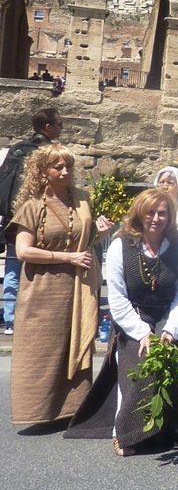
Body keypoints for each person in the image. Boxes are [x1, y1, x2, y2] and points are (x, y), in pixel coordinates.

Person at [5, 144, 113, 424]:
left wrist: (100, 235)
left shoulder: (82, 200)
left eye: (68, 166)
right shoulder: (32, 207)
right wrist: (68, 256)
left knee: (74, 345)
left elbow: (84, 246)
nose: (65, 172)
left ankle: (73, 409)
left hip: (77, 286)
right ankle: (39, 411)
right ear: (42, 171)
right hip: (41, 290)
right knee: (41, 350)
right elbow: (24, 251)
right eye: (58, 167)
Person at [105, 189, 178, 455]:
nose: (156, 218)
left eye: (162, 213)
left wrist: (170, 329)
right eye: (150, 212)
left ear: (170, 216)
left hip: (167, 317)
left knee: (170, 366)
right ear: (139, 213)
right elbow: (117, 297)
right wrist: (143, 332)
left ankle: (166, 430)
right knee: (141, 365)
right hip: (134, 317)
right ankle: (126, 432)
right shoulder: (121, 245)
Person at [0, 107, 63, 334]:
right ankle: (35, 318)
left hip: (12, 219)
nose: (61, 129)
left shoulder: (17, 149)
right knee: (37, 269)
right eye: (59, 124)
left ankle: (10, 320)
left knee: (13, 268)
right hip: (42, 217)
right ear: (48, 127)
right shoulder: (53, 153)